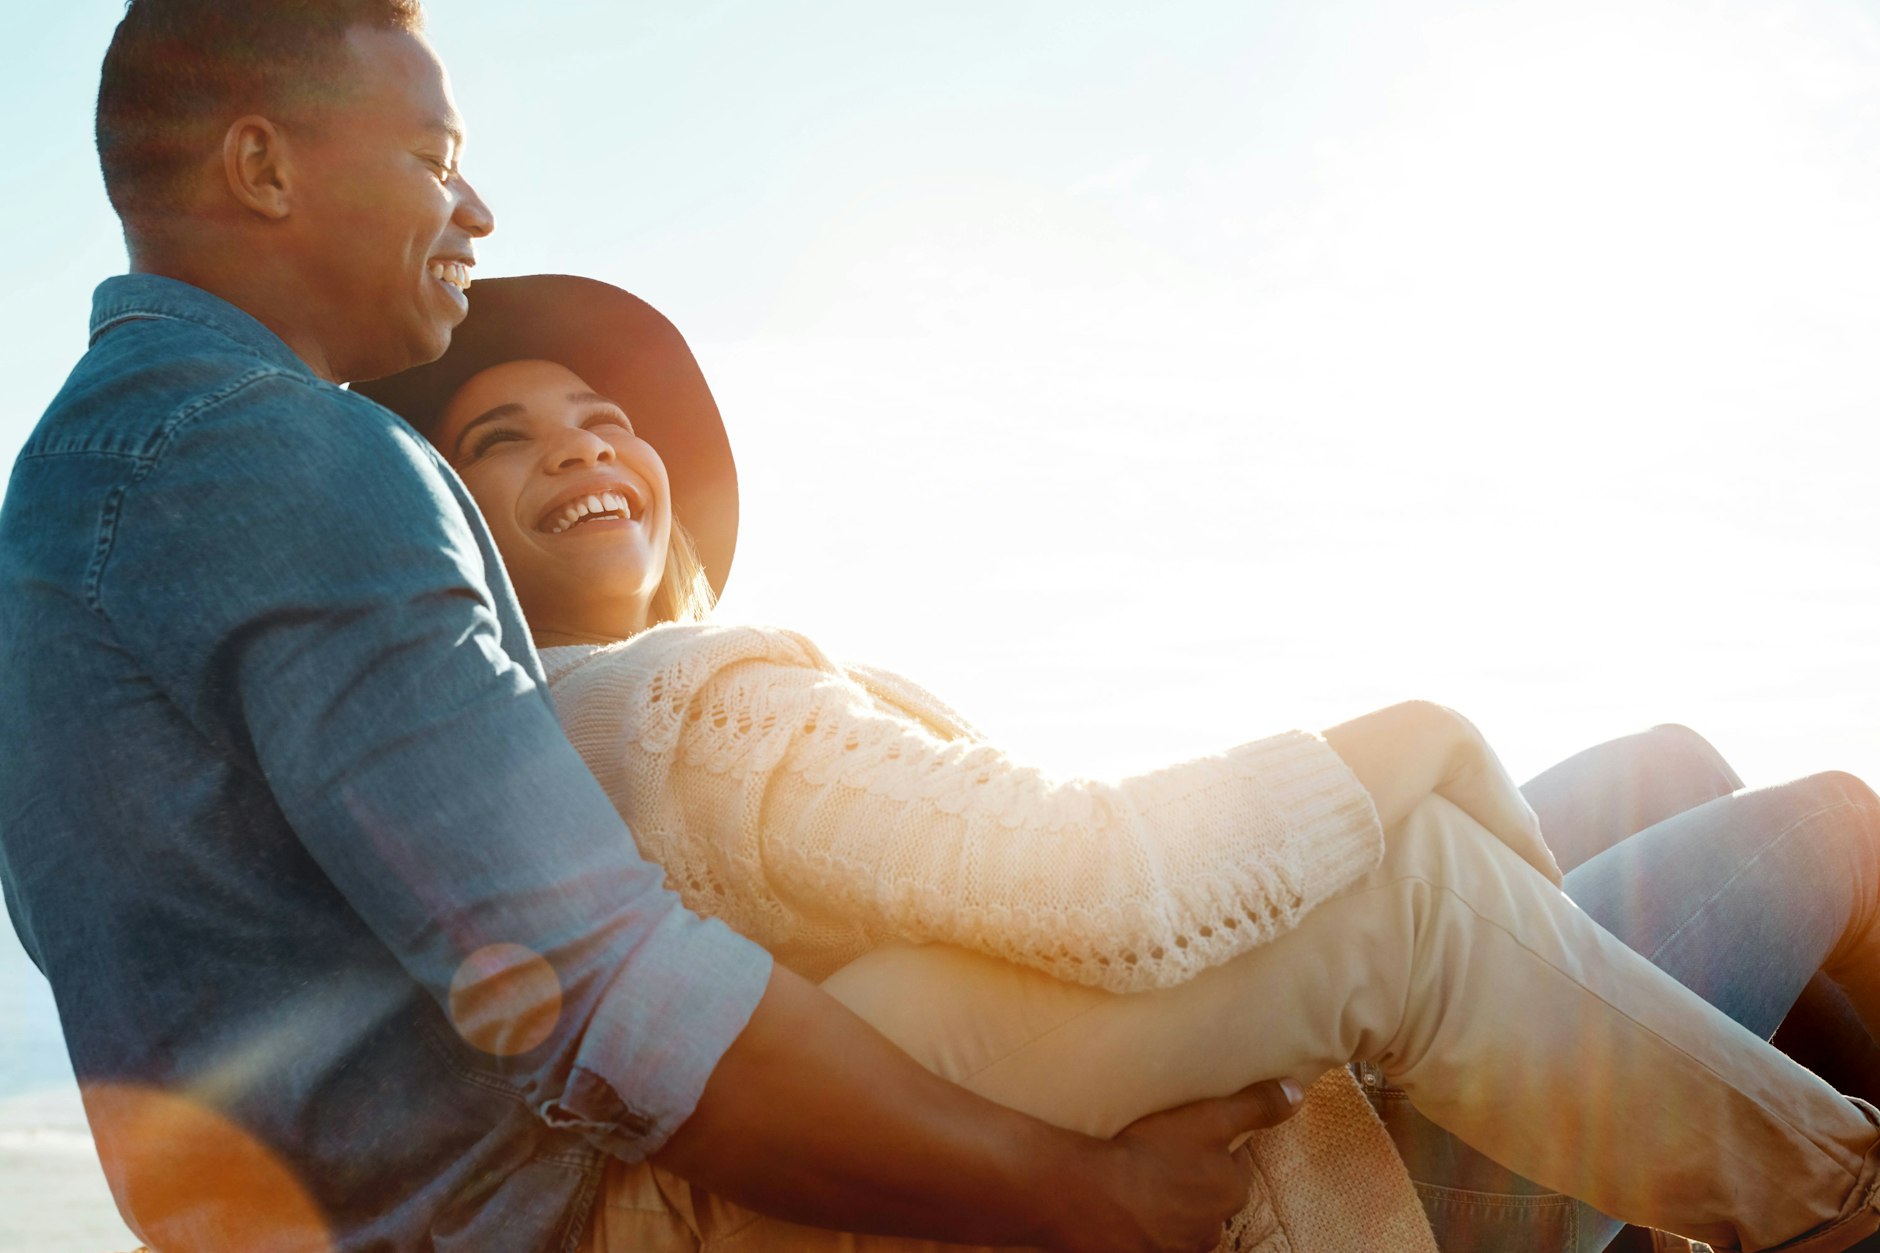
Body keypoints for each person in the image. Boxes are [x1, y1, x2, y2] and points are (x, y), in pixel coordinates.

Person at [0, 4, 1312, 1251]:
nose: (475, 207)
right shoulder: (294, 450)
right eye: (433, 158)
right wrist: (1086, 1193)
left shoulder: (56, 518)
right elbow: (611, 994)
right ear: (262, 168)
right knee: (1408, 905)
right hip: (552, 1217)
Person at [359, 273, 1880, 1253]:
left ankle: (1642, 1115)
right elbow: (1086, 880)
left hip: (1232, 1079)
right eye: (502, 438)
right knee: (1821, 822)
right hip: (1335, 1167)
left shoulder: (626, 725)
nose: (578, 445)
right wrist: (1409, 751)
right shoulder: (644, 706)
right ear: (453, 537)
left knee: (1666, 761)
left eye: (601, 417)